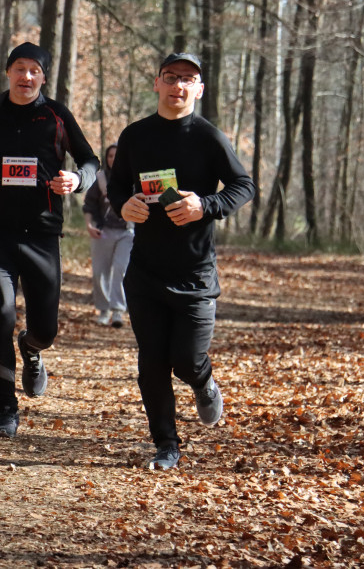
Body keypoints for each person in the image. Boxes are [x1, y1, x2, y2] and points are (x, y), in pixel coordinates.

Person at [107, 52, 255, 470]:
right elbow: (117, 187)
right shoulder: (135, 136)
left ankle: (204, 382)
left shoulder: (208, 137)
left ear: (198, 89)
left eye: (187, 79)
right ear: (157, 83)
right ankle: (166, 445)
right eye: (171, 77)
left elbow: (244, 185)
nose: (178, 85)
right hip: (145, 273)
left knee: (187, 360)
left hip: (194, 274)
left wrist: (204, 205)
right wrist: (125, 206)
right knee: (152, 361)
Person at [0, 42, 99, 438]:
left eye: (34, 71)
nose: (26, 77)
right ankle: (6, 410)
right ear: (8, 73)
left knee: (45, 329)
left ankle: (32, 348)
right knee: (1, 317)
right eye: (19, 69)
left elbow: (89, 161)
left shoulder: (57, 115)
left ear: (43, 77)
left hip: (43, 234)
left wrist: (77, 180)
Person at [82, 143, 134, 328]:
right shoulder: (100, 178)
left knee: (121, 269)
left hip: (127, 232)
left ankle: (118, 310)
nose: (114, 159)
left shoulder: (133, 179)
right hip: (103, 231)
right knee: (99, 272)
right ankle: (103, 310)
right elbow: (89, 205)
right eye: (110, 156)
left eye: (117, 155)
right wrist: (89, 225)